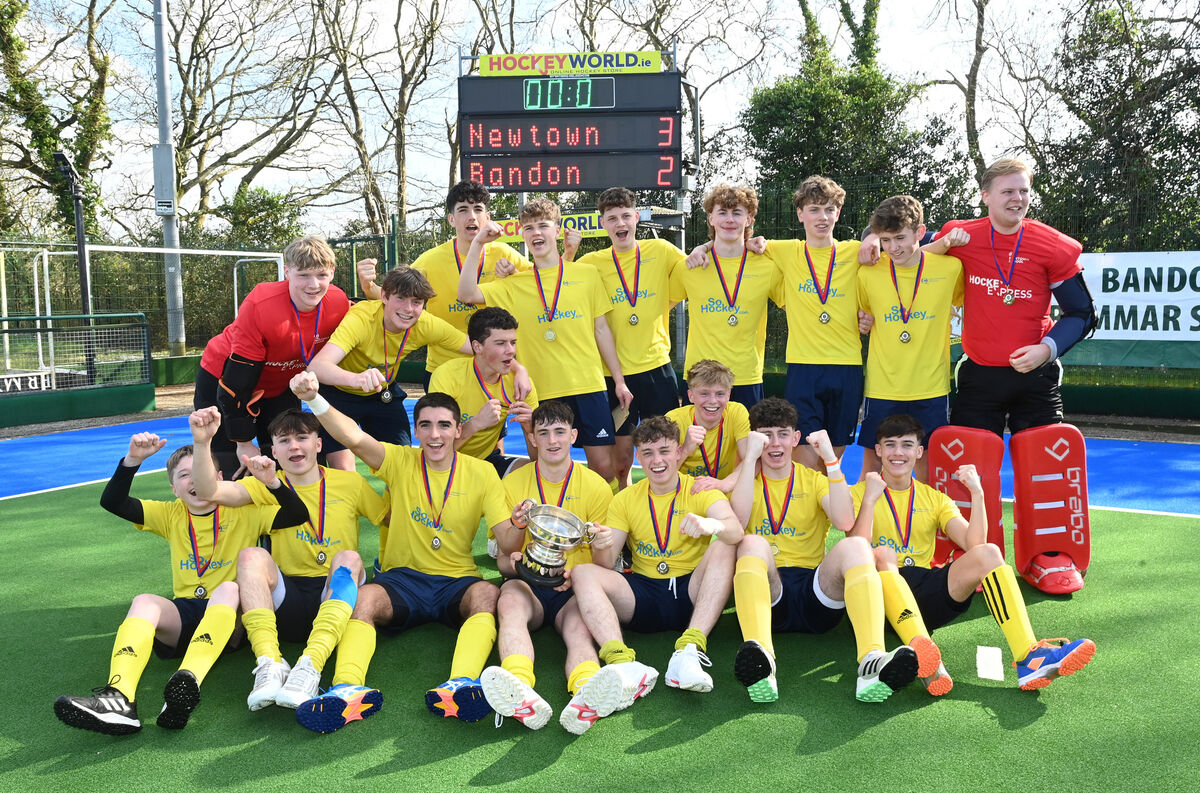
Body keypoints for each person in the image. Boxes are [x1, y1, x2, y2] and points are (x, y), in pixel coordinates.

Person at [860, 158, 1098, 591]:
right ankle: (966, 553)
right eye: (1007, 191)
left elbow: (1082, 313)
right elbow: (904, 237)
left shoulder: (1052, 245)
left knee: (1045, 461)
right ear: (985, 195)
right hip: (979, 376)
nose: (1017, 199)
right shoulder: (961, 235)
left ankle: (1050, 557)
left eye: (1023, 190)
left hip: (1036, 377)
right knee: (966, 467)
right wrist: (870, 241)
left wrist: (1046, 349)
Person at [285, 372, 511, 732]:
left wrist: (519, 524)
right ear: (415, 430)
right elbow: (352, 436)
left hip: (456, 580)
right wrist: (314, 398)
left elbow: (508, 541)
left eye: (444, 425)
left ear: (458, 430)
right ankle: (347, 688)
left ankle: (460, 683)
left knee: (487, 594)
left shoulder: (483, 473)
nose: (435, 434)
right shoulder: (400, 460)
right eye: (426, 425)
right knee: (362, 600)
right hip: (402, 579)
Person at [53, 428, 308, 735]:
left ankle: (187, 682)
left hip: (230, 618)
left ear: (218, 478)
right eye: (184, 475)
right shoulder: (170, 514)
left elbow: (297, 514)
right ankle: (119, 699)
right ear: (174, 488)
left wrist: (272, 483)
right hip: (186, 613)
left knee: (229, 588)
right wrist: (133, 460)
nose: (194, 480)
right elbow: (113, 502)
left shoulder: (245, 512)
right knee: (144, 602)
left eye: (200, 472)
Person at [850, 414, 1096, 692]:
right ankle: (923, 652)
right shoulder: (859, 493)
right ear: (878, 450)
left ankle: (1029, 657)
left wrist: (977, 494)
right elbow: (857, 548)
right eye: (890, 445)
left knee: (989, 553)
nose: (898, 452)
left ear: (919, 452)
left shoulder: (934, 498)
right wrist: (870, 498)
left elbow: (975, 544)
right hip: (877, 602)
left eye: (907, 445)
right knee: (881, 554)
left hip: (922, 590)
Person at [187, 406, 387, 712]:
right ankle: (270, 662)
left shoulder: (350, 483)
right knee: (251, 555)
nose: (294, 446)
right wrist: (202, 443)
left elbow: (389, 520)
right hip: (287, 597)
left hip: (335, 592)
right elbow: (208, 490)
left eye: (302, 437)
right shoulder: (263, 483)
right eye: (284, 440)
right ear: (274, 451)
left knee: (348, 557)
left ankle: (311, 665)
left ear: (318, 444)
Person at [729, 398, 919, 703]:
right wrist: (749, 459)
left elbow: (844, 521)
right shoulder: (745, 478)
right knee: (750, 542)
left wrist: (830, 459)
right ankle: (762, 660)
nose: (775, 443)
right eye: (766, 435)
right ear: (755, 439)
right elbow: (737, 524)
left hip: (815, 594)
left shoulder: (813, 479)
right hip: (770, 594)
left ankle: (871, 660)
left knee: (857, 545)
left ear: (795, 438)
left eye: (782, 434)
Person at [481, 402, 649, 734]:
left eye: (560, 432)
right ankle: (518, 687)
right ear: (532, 438)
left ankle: (586, 694)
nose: (552, 440)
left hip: (573, 589)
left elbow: (604, 566)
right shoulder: (512, 484)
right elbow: (504, 556)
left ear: (573, 436)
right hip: (528, 585)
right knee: (509, 601)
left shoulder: (596, 486)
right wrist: (514, 556)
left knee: (580, 628)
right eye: (543, 433)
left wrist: (600, 547)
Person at [457, 198, 633, 487]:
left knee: (604, 468)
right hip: (541, 391)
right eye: (528, 228)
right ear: (522, 235)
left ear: (558, 230)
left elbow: (601, 330)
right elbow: (466, 293)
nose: (536, 233)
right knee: (544, 468)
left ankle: (591, 516)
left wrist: (619, 381)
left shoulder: (586, 274)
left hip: (587, 385)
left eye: (543, 225)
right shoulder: (514, 283)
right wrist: (478, 243)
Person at [568, 416, 741, 700]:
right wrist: (601, 545)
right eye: (647, 453)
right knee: (583, 572)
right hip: (642, 595)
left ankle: (689, 651)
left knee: (726, 544)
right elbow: (605, 564)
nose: (657, 460)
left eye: (664, 451)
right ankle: (622, 663)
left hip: (691, 592)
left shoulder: (699, 490)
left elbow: (735, 530)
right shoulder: (625, 499)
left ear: (678, 452)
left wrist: (711, 525)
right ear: (638, 457)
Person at [195, 235, 351, 476]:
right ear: (287, 272)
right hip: (225, 378)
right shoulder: (261, 304)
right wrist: (243, 442)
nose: (313, 285)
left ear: (332, 272)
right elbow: (236, 385)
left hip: (279, 384)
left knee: (288, 455)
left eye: (321, 275)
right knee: (231, 462)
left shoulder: (339, 302)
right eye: (303, 275)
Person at [357, 180, 532, 390]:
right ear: (451, 219)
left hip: (491, 370)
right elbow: (394, 298)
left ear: (488, 217)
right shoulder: (430, 260)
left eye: (478, 209)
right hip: (443, 369)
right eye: (463, 210)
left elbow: (541, 285)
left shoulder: (506, 255)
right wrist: (368, 286)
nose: (472, 216)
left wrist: (515, 274)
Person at [308, 267, 485, 468]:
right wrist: (355, 379)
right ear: (384, 296)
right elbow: (317, 367)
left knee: (403, 465)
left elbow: (478, 347)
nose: (408, 309)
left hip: (382, 393)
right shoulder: (362, 319)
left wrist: (513, 368)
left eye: (416, 302)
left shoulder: (426, 324)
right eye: (401, 298)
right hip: (340, 393)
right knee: (344, 468)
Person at [573, 187, 685, 486]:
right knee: (620, 462)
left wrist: (707, 248)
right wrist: (568, 252)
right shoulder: (590, 263)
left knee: (665, 448)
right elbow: (558, 279)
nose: (620, 224)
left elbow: (694, 269)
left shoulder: (661, 250)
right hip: (612, 374)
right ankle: (624, 504)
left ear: (636, 217)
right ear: (603, 223)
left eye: (625, 216)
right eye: (612, 218)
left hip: (655, 369)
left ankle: (666, 502)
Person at [856, 195, 964, 482]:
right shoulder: (868, 273)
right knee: (872, 464)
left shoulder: (950, 269)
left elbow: (968, 301)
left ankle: (921, 514)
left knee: (926, 465)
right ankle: (866, 514)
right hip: (883, 386)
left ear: (920, 232)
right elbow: (862, 314)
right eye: (886, 240)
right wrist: (863, 321)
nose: (893, 248)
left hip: (930, 386)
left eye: (900, 238)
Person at [670, 183, 781, 409]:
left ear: (749, 219)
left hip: (746, 376)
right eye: (722, 212)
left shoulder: (768, 266)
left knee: (747, 434)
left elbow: (798, 307)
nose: (729, 219)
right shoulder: (690, 265)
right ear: (711, 218)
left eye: (737, 213)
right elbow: (659, 308)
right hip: (700, 377)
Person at [429, 306, 538, 479]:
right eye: (500, 343)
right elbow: (434, 449)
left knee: (538, 473)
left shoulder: (521, 384)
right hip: (445, 464)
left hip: (486, 463)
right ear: (477, 347)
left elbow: (538, 459)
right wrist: (476, 423)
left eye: (513, 342)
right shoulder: (447, 376)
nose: (511, 350)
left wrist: (531, 428)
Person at [666, 359, 750, 494]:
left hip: (721, 491)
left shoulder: (736, 412)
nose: (712, 401)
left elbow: (751, 460)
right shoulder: (674, 420)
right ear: (691, 396)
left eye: (720, 394)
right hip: (685, 492)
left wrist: (724, 484)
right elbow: (662, 476)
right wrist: (685, 450)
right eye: (704, 394)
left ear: (729, 395)